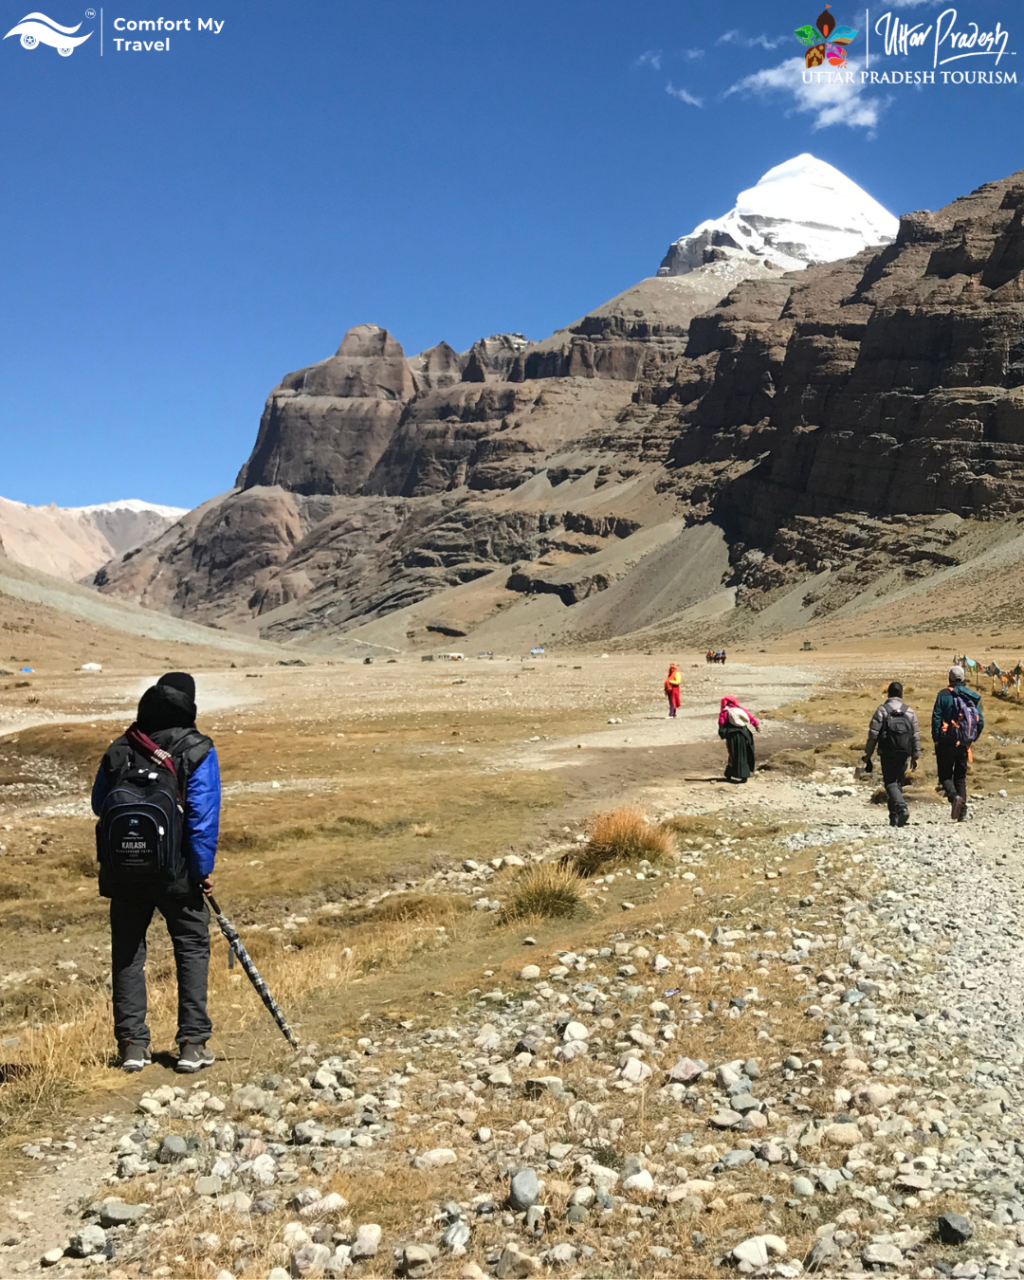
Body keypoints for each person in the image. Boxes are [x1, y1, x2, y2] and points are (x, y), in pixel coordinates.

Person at [91, 672, 221, 1074]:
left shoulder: (119, 748)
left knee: (128, 954)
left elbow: (100, 804)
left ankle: (132, 1046)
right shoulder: (198, 749)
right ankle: (191, 1044)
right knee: (191, 949)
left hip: (124, 872)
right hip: (178, 872)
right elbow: (202, 819)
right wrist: (202, 871)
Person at [863, 681, 921, 827]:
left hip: (887, 752)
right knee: (898, 783)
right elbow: (915, 735)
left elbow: (873, 735)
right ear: (902, 694)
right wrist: (916, 755)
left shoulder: (882, 710)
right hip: (904, 752)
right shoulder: (909, 712)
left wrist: (868, 755)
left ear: (888, 693)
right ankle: (894, 818)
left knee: (890, 783)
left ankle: (901, 808)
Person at [931, 665, 984, 821]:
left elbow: (936, 718)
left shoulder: (943, 695)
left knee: (945, 776)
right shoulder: (971, 697)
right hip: (963, 743)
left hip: (946, 741)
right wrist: (972, 737)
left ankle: (954, 798)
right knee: (960, 777)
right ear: (963, 678)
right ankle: (963, 813)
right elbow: (980, 721)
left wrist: (936, 738)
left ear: (950, 678)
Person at [718, 695, 760, 783]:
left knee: (733, 754)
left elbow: (721, 723)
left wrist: (723, 732)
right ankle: (744, 774)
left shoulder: (725, 712)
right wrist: (756, 725)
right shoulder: (741, 710)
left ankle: (730, 773)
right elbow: (750, 718)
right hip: (745, 734)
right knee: (745, 753)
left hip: (733, 736)